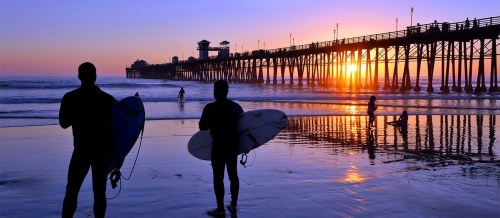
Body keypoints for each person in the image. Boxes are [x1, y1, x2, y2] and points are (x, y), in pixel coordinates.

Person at [59, 62, 117, 218]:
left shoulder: (70, 98)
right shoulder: (108, 100)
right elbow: (117, 130)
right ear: (96, 76)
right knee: (99, 192)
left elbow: (63, 124)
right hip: (102, 152)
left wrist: (78, 114)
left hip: (81, 150)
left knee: (72, 190)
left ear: (79, 77)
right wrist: (119, 157)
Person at [199, 80, 244, 217]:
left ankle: (220, 209)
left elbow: (202, 127)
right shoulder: (236, 107)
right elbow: (244, 128)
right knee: (233, 176)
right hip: (232, 146)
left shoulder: (210, 108)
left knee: (218, 178)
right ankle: (233, 205)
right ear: (227, 91)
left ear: (214, 92)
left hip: (218, 146)